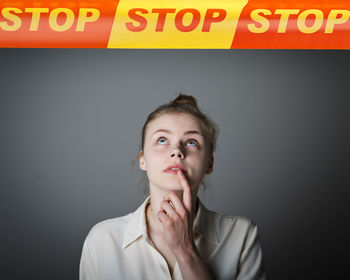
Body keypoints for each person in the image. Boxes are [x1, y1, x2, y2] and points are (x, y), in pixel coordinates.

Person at [79, 94, 266, 280]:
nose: (177, 151)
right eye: (162, 140)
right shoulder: (102, 240)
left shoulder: (241, 235)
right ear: (143, 159)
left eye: (192, 142)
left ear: (209, 164)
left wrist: (184, 249)